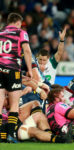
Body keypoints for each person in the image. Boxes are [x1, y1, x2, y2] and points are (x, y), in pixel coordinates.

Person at [0, 13, 33, 142]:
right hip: (13, 69)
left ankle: (1, 136)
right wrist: (29, 69)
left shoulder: (1, 32)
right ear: (18, 22)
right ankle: (10, 135)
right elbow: (27, 50)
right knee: (14, 104)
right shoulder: (21, 32)